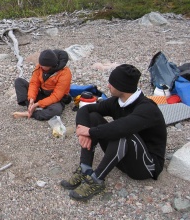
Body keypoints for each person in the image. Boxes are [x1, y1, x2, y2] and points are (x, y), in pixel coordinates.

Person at [60, 64, 167, 201]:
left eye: (112, 83)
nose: (108, 85)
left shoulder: (147, 108)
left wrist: (91, 132)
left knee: (121, 132)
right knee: (93, 117)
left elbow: (121, 128)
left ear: (122, 87)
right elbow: (84, 110)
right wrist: (83, 132)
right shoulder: (118, 101)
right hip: (123, 158)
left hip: (146, 166)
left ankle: (96, 180)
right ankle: (85, 168)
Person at [12, 49, 72, 120]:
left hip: (56, 99)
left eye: (43, 65)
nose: (40, 66)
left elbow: (56, 96)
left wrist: (38, 104)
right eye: (40, 64)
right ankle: (30, 107)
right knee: (19, 81)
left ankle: (31, 113)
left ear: (51, 65)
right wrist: (31, 99)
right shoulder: (40, 67)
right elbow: (34, 83)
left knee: (56, 111)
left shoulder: (65, 73)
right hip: (43, 93)